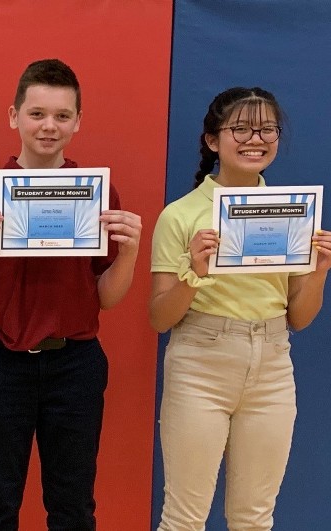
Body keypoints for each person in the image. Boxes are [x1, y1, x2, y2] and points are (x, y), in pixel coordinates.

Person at [0, 58, 142, 530]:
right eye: (37, 114)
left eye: (61, 115)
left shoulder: (97, 194)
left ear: (78, 121)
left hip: (74, 364)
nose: (49, 126)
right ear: (14, 116)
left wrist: (131, 252)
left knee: (73, 509)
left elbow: (108, 298)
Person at [150, 87, 330, 530]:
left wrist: (319, 271)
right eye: (242, 129)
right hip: (200, 364)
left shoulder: (291, 214)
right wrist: (193, 273)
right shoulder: (180, 215)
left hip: (272, 366)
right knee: (184, 519)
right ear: (213, 140)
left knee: (254, 518)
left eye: (267, 129)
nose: (256, 139)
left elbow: (299, 318)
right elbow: (160, 318)